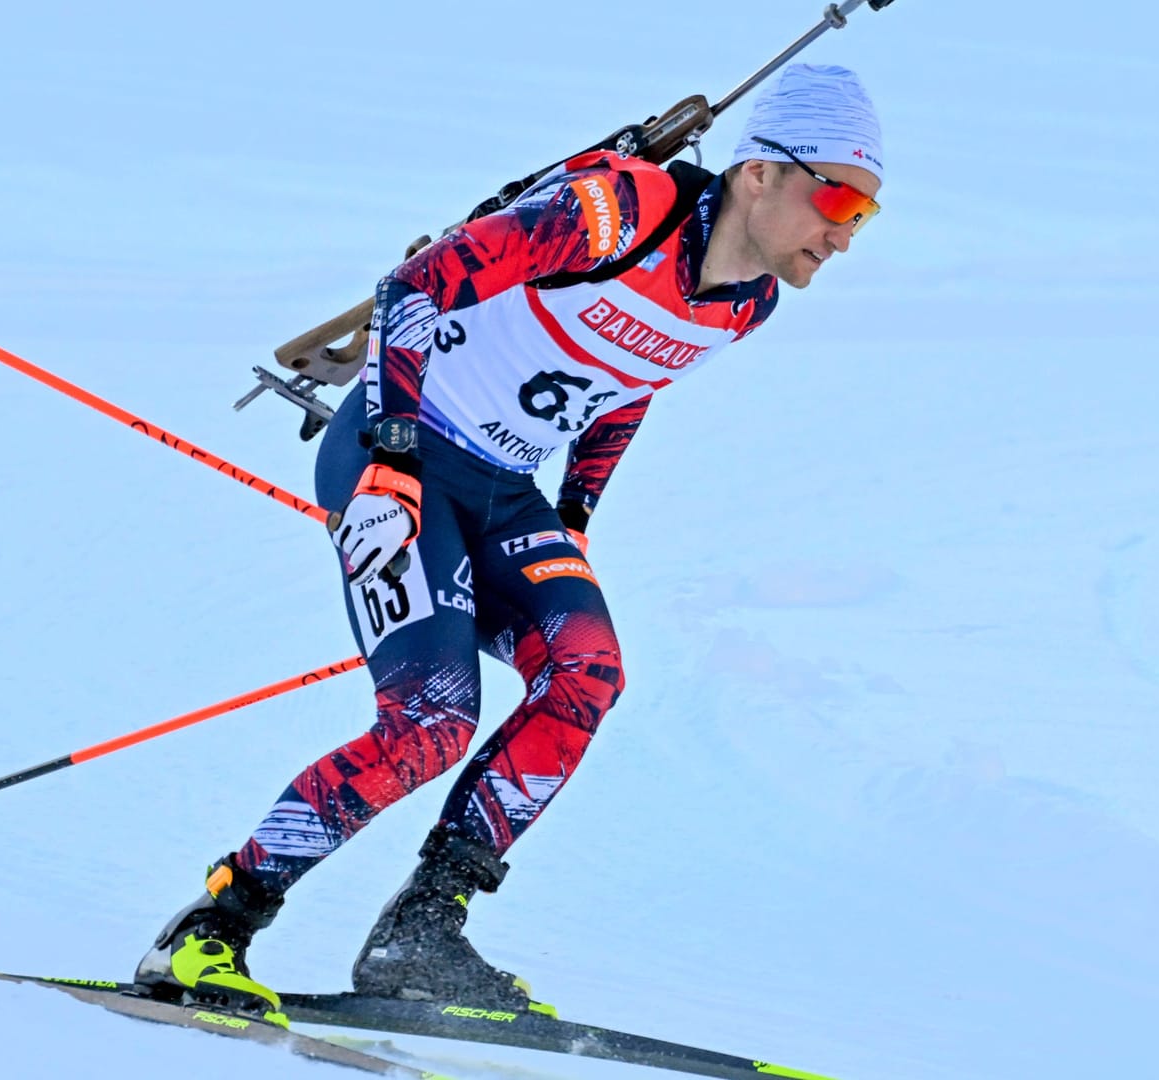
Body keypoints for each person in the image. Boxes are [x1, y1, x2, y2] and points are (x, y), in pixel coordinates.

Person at [134, 64, 886, 1016]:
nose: (844, 231)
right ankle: (212, 929)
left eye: (865, 216)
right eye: (837, 197)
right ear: (759, 175)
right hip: (396, 446)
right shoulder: (619, 213)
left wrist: (568, 527)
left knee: (588, 669)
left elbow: (626, 383)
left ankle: (421, 932)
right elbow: (412, 288)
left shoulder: (746, 303)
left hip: (500, 489)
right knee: (432, 719)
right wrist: (391, 465)